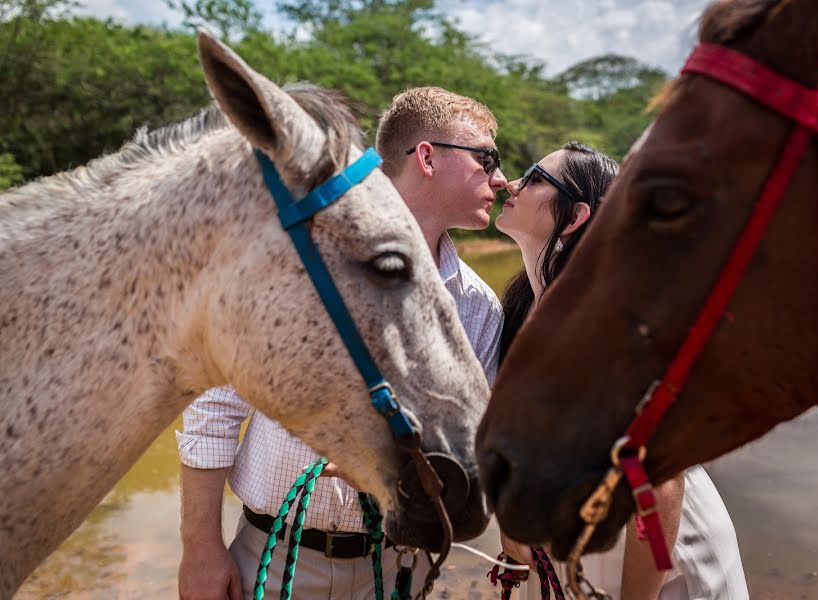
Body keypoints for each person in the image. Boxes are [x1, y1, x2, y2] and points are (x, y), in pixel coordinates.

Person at [176, 86, 508, 600]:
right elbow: (214, 408)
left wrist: (402, 474)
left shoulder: (479, 305)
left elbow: (474, 448)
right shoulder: (299, 263)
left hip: (402, 566)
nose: (501, 179)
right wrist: (201, 548)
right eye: (487, 158)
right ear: (426, 157)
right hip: (276, 555)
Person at [496, 141, 748, 599]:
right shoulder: (519, 311)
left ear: (574, 217)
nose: (510, 183)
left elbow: (661, 479)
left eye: (534, 178)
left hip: (663, 559)